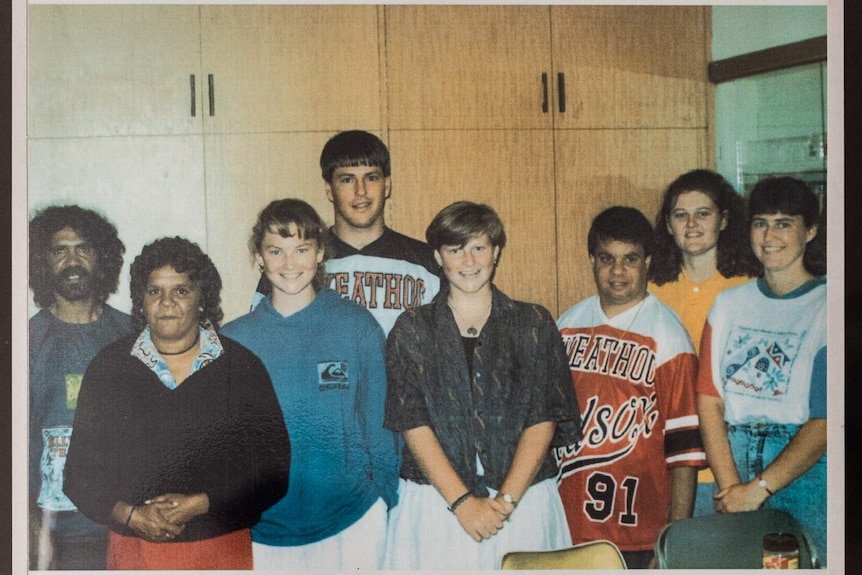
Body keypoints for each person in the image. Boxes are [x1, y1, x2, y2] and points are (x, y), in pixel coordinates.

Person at [64, 237, 291, 570]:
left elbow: (273, 471)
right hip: (134, 549)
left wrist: (201, 504)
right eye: (155, 291)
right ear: (141, 301)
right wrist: (131, 516)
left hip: (220, 547)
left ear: (202, 299)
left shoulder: (242, 368)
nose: (166, 302)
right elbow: (79, 475)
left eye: (181, 291)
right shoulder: (109, 368)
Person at [384, 201, 581, 570]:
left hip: (524, 504)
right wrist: (462, 503)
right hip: (436, 507)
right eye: (455, 250)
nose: (468, 260)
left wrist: (505, 503)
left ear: (497, 252)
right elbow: (412, 421)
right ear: (438, 258)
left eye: (479, 247)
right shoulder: (411, 329)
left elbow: (543, 418)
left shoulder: (533, 323)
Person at [221, 199, 399, 570]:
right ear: (259, 257)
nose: (289, 264)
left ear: (320, 253)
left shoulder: (356, 326)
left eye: (301, 249)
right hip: (264, 532)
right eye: (276, 251)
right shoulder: (233, 341)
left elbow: (381, 425)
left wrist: (386, 500)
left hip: (353, 523)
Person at [555, 206, 705, 569]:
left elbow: (684, 451)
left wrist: (674, 536)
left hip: (638, 527)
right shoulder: (566, 325)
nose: (618, 271)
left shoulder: (669, 337)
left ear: (648, 262)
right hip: (567, 521)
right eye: (607, 258)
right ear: (592, 259)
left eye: (630, 259)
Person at [697, 177, 827, 563]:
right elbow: (708, 399)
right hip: (732, 457)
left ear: (811, 231)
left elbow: (827, 420)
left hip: (801, 470)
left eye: (784, 222)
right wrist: (732, 486)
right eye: (760, 222)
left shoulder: (830, 305)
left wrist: (760, 488)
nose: (769, 235)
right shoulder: (728, 304)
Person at [648, 169, 760, 516]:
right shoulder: (651, 290)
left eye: (703, 213)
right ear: (668, 225)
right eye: (680, 215)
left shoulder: (748, 286)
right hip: (666, 463)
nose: (691, 224)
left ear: (724, 220)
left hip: (731, 465)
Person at [252, 129, 440, 334]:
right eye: (347, 180)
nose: (361, 191)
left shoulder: (426, 263)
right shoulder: (296, 264)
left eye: (371, 177)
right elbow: (257, 333)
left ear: (386, 185)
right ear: (328, 189)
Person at [28, 205, 133, 570]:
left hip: (125, 526)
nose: (72, 261)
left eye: (83, 249)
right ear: (42, 261)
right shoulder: (25, 341)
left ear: (100, 257)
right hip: (52, 534)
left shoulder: (132, 335)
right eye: (60, 251)